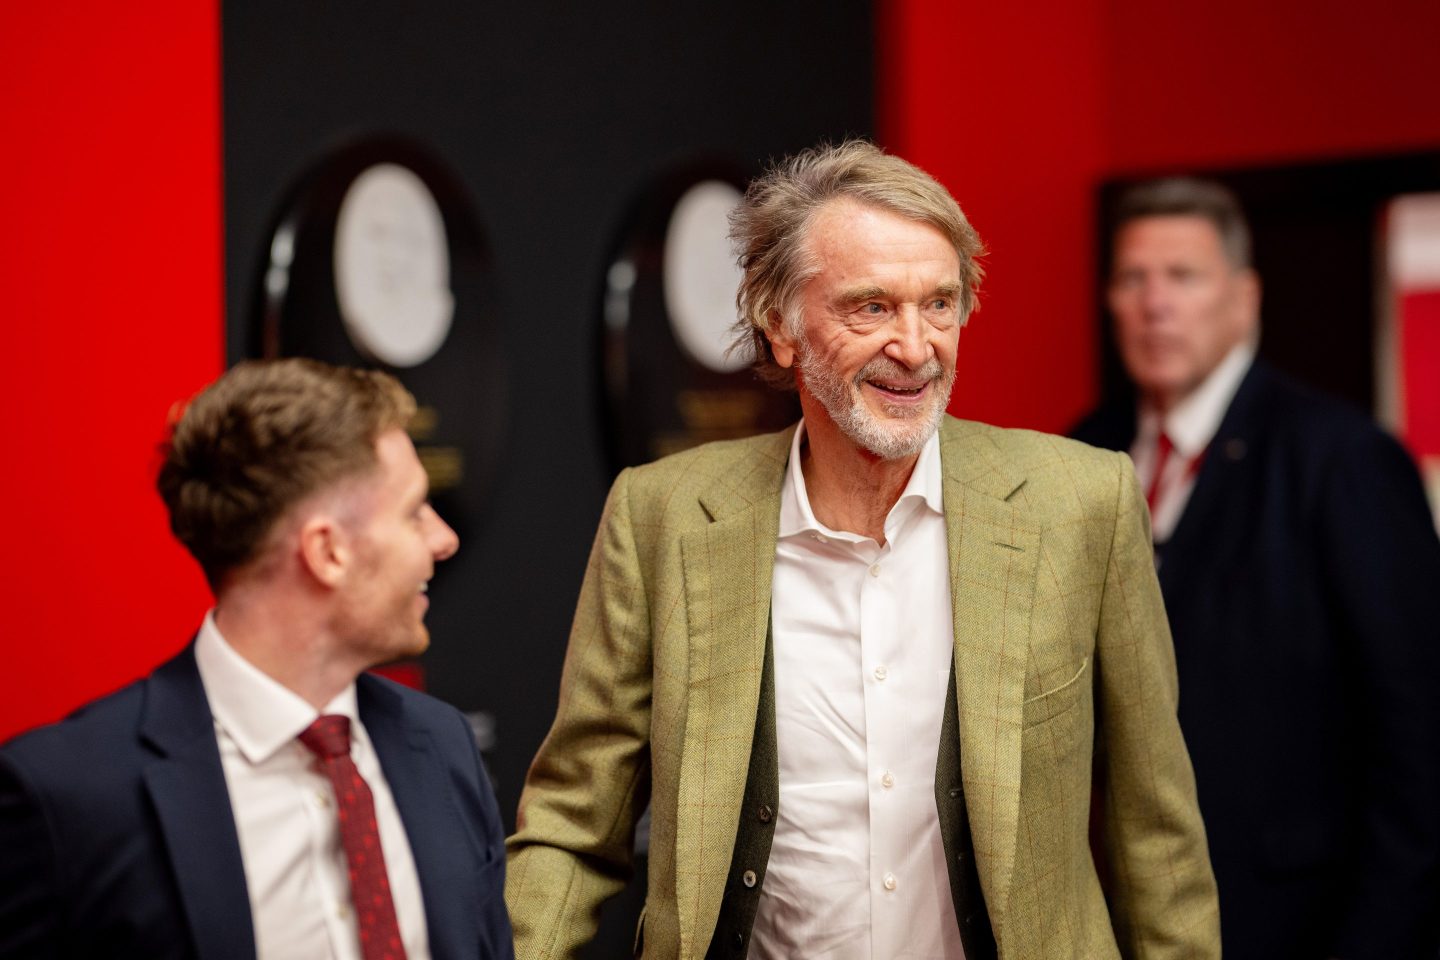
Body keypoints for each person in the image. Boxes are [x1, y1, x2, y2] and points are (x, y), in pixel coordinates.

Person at [506, 141, 1219, 959]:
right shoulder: (664, 516)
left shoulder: (1080, 505)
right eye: (871, 307)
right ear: (780, 325)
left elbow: (1155, 834)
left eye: (940, 305)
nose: (915, 347)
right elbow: (573, 820)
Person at [0, 359, 514, 960]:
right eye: (413, 511)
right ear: (328, 552)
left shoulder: (443, 746)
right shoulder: (68, 798)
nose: (443, 538)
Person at [1073, 178, 1440, 959]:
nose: (1155, 303)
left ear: (1244, 299)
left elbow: (1419, 741)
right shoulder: (1081, 452)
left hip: (1296, 921)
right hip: (1115, 916)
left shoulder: (1342, 460)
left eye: (1184, 277)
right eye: (1133, 278)